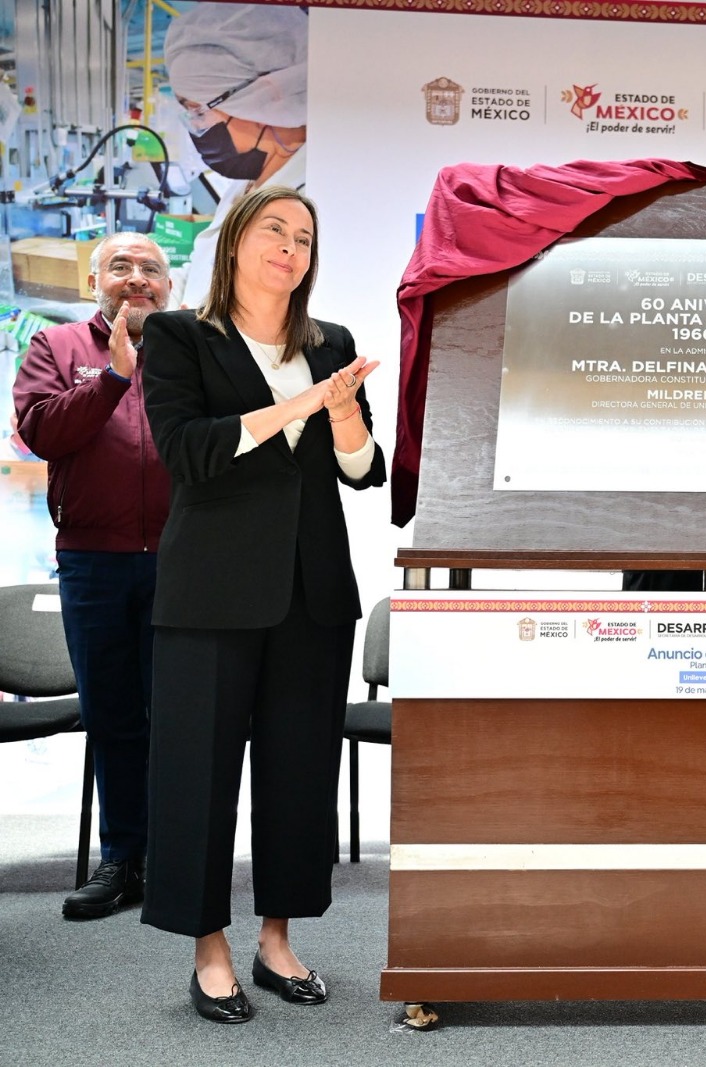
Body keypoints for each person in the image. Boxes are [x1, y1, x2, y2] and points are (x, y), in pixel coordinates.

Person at [139, 186, 385, 1023]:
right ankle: (208, 948)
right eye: (274, 229)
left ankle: (276, 940)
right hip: (211, 591)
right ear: (236, 243)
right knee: (198, 773)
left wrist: (343, 413)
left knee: (299, 772)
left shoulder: (331, 344)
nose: (290, 246)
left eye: (304, 237)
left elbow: (362, 470)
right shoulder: (179, 335)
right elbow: (188, 451)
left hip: (312, 592)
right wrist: (302, 404)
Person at [11, 233, 173, 918]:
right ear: (93, 282)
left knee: (177, 717)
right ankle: (123, 860)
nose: (137, 278)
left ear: (169, 286)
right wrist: (111, 377)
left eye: (151, 269)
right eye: (121, 267)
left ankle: (175, 862)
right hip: (92, 561)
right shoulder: (56, 347)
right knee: (112, 714)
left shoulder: (191, 351)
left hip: (181, 562)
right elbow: (41, 433)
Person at [162, 3, 308, 308]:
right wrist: (154, 298)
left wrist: (200, 325)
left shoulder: (311, 197)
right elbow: (203, 265)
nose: (196, 128)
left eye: (198, 112)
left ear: (260, 98)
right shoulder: (244, 186)